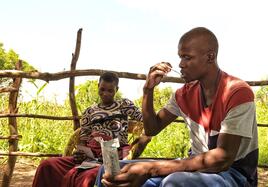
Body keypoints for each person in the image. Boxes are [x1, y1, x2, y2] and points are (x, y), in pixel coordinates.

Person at [98, 27, 259, 187]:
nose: (181, 64)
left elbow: (223, 159)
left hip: (233, 174)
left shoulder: (237, 92)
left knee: (175, 182)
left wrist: (152, 169)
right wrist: (148, 90)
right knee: (110, 170)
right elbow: (151, 129)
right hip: (194, 168)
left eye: (187, 58)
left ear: (210, 57)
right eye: (181, 57)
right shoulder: (183, 95)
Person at [32, 71, 151, 187]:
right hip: (90, 156)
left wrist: (143, 138)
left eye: (110, 90)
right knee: (47, 165)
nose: (105, 93)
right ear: (98, 86)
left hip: (114, 154)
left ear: (117, 90)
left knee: (88, 177)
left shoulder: (124, 104)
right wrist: (81, 152)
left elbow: (145, 120)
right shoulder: (90, 111)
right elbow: (83, 139)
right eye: (102, 89)